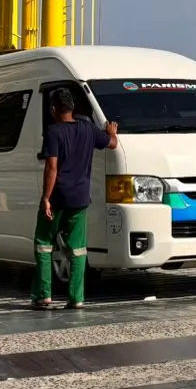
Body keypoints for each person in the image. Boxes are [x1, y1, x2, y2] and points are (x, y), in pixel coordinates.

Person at [34, 87, 118, 310]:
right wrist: (111, 132)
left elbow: (51, 168)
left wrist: (46, 198)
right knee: (78, 249)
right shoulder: (88, 129)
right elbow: (112, 144)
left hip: (57, 197)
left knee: (43, 244)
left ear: (54, 109)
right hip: (80, 199)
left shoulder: (53, 132)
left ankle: (44, 296)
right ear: (72, 107)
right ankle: (76, 298)